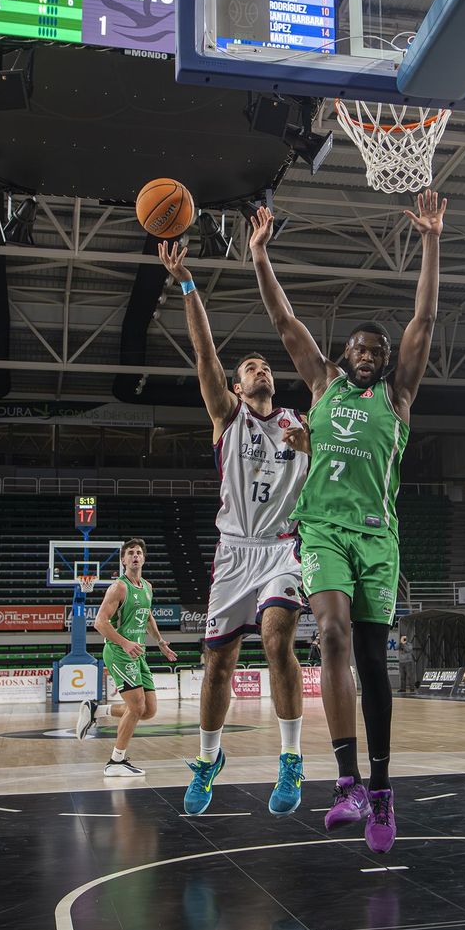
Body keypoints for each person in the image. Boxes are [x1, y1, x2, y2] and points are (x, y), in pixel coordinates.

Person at [250, 191, 443, 854]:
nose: (369, 352)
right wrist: (260, 254)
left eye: (377, 348)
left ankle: (384, 790)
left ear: (386, 359)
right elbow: (283, 320)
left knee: (370, 660)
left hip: (378, 539)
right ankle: (347, 783)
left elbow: (424, 315)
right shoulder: (322, 386)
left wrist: (431, 239)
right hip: (324, 531)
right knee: (329, 632)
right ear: (343, 354)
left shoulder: (399, 395)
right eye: (358, 346)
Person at [159, 238, 309, 816]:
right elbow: (203, 355)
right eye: (249, 367)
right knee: (217, 664)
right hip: (233, 553)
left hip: (282, 552)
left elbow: (331, 465)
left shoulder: (300, 422)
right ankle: (208, 759)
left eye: (265, 364)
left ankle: (291, 758)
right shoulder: (227, 418)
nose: (260, 367)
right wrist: (187, 283)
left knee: (276, 640)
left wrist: (312, 446)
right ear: (238, 387)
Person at [77, 539, 178, 776]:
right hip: (119, 652)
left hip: (138, 653)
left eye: (139, 553)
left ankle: (97, 711)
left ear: (144, 559)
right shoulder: (118, 588)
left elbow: (148, 615)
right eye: (130, 553)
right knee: (136, 706)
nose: (135, 556)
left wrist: (161, 642)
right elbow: (99, 622)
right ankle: (116, 761)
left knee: (149, 710)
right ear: (123, 560)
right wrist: (124, 642)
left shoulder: (147, 587)